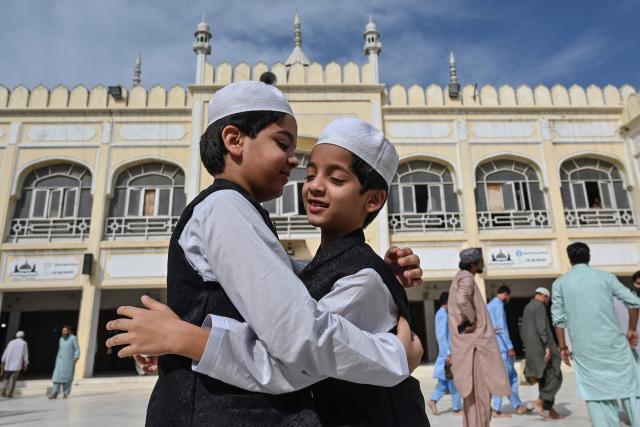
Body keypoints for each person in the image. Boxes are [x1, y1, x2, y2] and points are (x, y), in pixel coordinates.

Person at [106, 82, 424, 426]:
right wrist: (394, 357)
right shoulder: (227, 208)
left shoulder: (236, 210)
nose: (296, 166)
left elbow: (295, 337)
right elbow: (300, 338)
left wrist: (185, 339)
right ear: (234, 140)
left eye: (335, 178)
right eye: (283, 144)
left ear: (373, 199)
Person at [552, 242, 640, 426]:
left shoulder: (560, 283)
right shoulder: (606, 278)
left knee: (596, 394)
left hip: (585, 349)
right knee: (631, 388)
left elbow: (558, 320)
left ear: (570, 259)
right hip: (614, 344)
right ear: (588, 256)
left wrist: (562, 347)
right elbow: (634, 302)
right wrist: (632, 329)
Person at [448, 248, 510, 427]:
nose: (483, 264)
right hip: (476, 350)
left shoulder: (460, 277)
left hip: (471, 347)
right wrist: (474, 320)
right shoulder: (467, 277)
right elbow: (462, 299)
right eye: (481, 261)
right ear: (474, 263)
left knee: (474, 401)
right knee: (480, 398)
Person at [521, 287, 563, 419]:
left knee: (545, 379)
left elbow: (523, 331)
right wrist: (547, 346)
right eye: (547, 299)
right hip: (544, 347)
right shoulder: (539, 306)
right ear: (545, 297)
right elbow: (542, 328)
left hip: (533, 349)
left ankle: (548, 410)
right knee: (556, 375)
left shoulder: (527, 307)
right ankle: (540, 401)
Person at [487, 285, 527, 417]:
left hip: (494, 348)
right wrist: (510, 346)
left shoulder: (489, 305)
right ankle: (497, 409)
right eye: (508, 296)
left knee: (511, 377)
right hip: (502, 349)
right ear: (505, 294)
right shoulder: (498, 306)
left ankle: (517, 405)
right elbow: (501, 328)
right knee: (504, 378)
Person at [428, 291, 462, 417]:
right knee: (454, 382)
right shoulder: (442, 314)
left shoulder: (443, 314)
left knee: (445, 382)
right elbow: (441, 336)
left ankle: (433, 401)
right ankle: (457, 409)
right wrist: (448, 354)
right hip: (446, 355)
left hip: (447, 354)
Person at [48, 325, 80, 399]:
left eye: (65, 331)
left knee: (67, 378)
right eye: (63, 331)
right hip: (60, 361)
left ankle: (65, 393)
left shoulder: (73, 338)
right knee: (56, 377)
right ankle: (54, 393)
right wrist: (57, 359)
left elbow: (77, 349)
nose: (64, 332)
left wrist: (76, 357)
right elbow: (60, 350)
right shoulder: (61, 339)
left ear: (69, 331)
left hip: (69, 361)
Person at [1, 330, 29, 398]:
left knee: (6, 378)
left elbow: (6, 351)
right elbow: (25, 354)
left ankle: (3, 388)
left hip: (8, 363)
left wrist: (3, 360)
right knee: (13, 380)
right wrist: (26, 363)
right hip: (16, 365)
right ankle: (9, 394)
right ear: (23, 336)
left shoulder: (11, 342)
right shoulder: (24, 343)